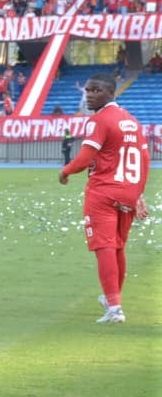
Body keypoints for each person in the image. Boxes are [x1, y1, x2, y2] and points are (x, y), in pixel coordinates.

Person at [58, 74, 151, 324]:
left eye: (95, 90)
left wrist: (65, 171)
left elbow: (85, 158)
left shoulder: (99, 120)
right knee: (118, 246)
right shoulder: (132, 121)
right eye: (87, 90)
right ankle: (113, 299)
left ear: (111, 93)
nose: (89, 94)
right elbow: (145, 160)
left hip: (103, 191)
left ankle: (115, 308)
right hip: (128, 192)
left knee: (105, 247)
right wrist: (138, 193)